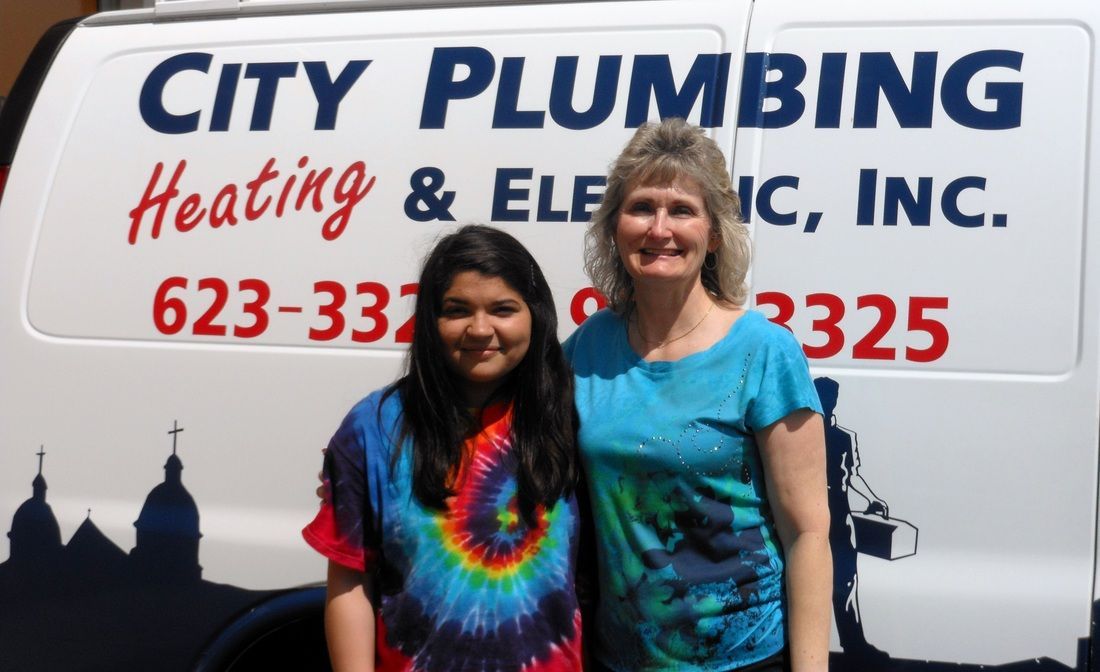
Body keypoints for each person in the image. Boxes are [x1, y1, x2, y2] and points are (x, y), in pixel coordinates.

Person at [565, 118, 831, 672]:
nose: (659, 228)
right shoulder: (587, 348)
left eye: (681, 210)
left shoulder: (764, 351)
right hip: (620, 660)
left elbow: (807, 532)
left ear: (713, 234)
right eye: (641, 207)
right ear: (615, 226)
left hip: (743, 659)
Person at [302, 225, 584, 671]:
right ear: (430, 320)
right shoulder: (373, 428)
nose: (479, 329)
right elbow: (349, 578)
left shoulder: (571, 418)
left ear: (536, 315)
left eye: (503, 309)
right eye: (456, 310)